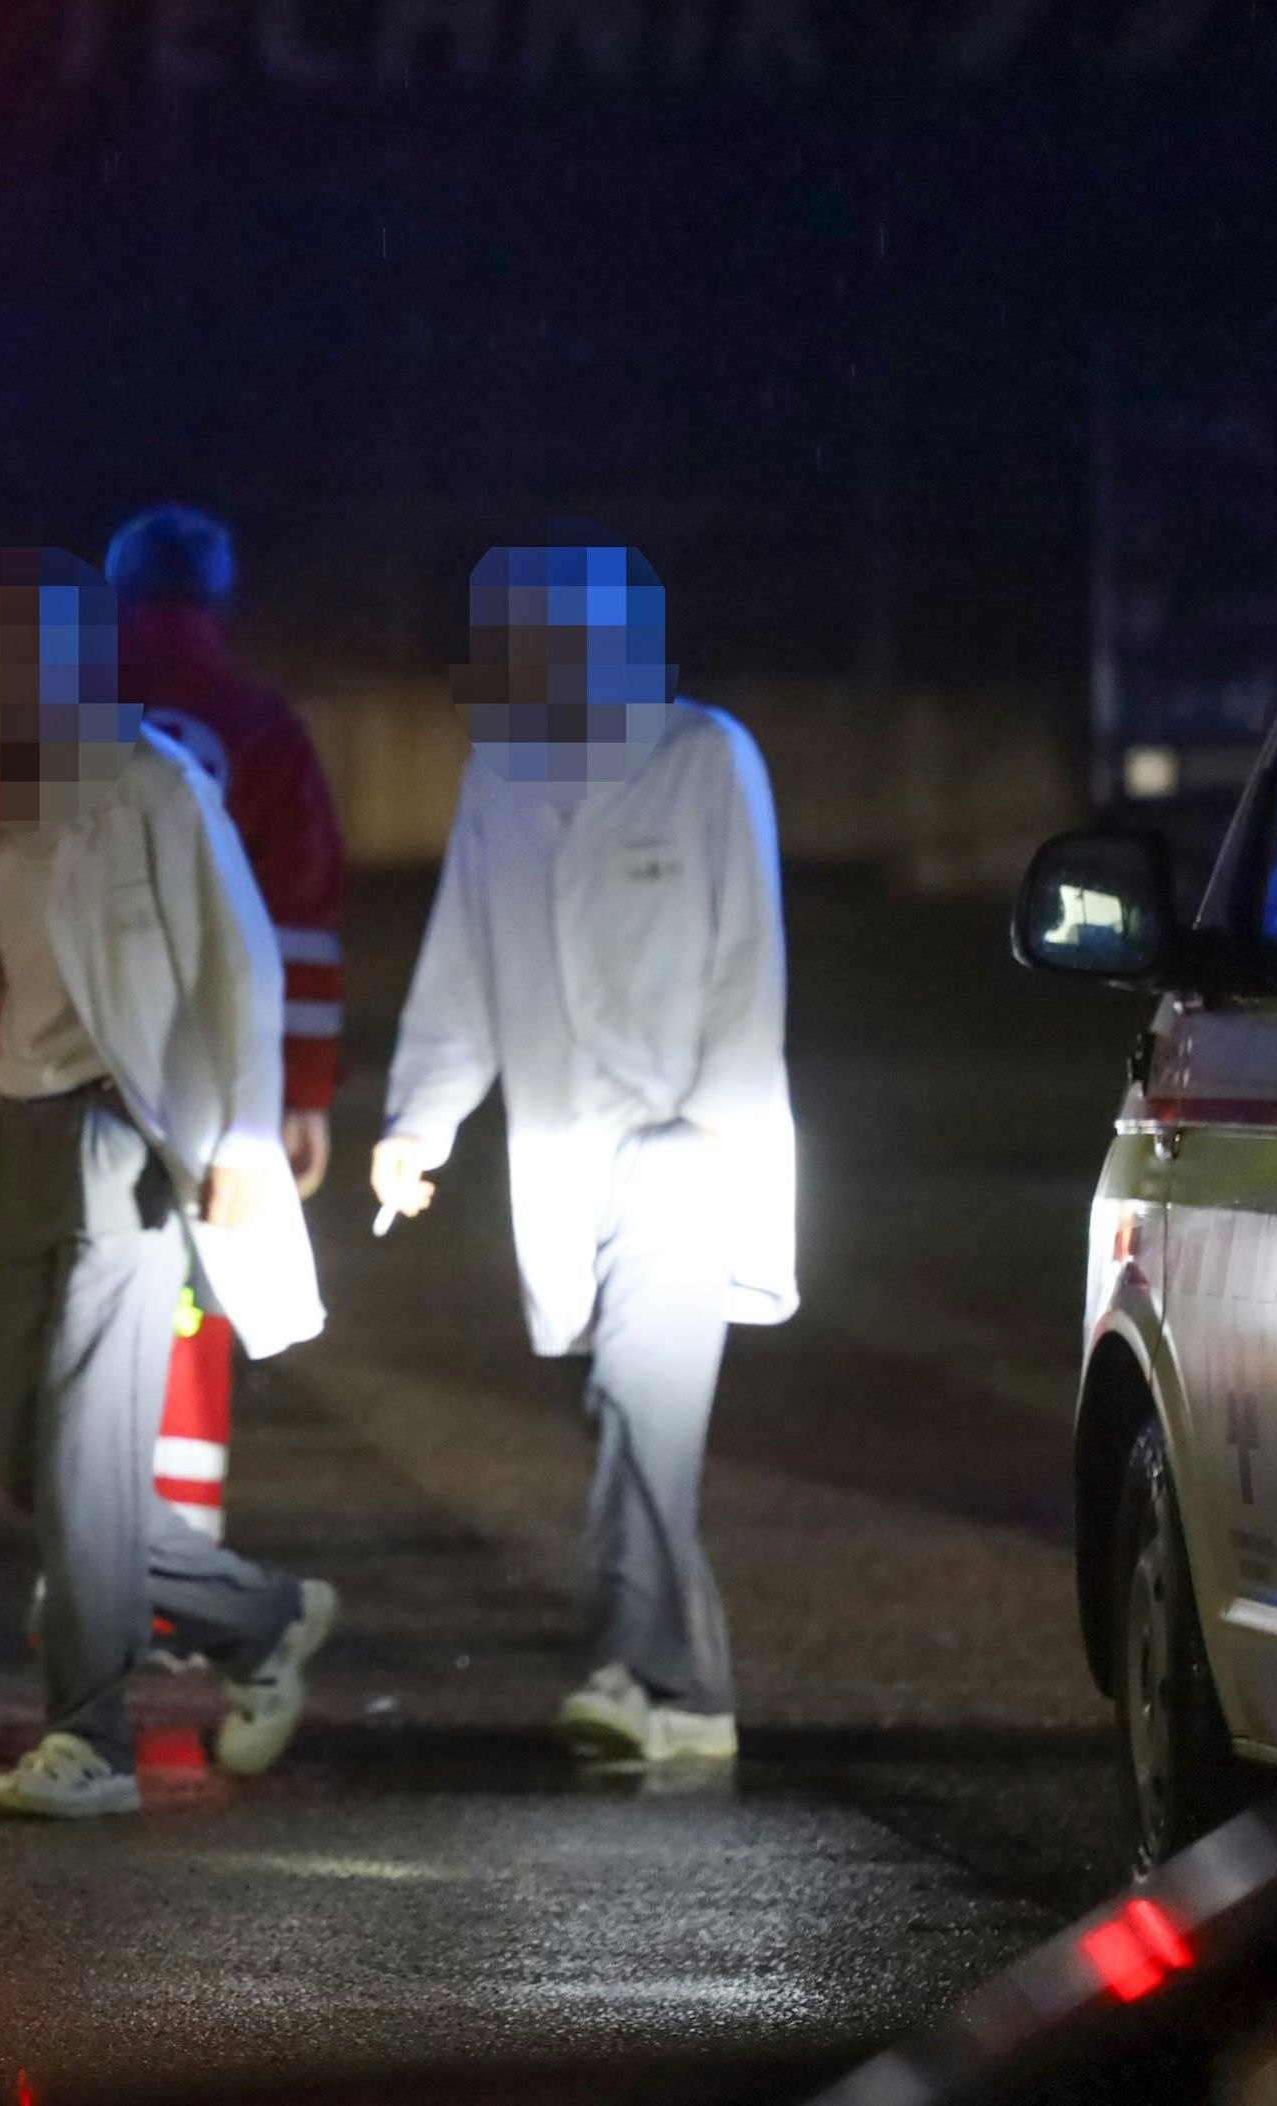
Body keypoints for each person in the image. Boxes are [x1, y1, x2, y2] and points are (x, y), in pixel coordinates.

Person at [0, 547, 338, 1821]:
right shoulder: (0, 800)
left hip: (131, 1139)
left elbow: (240, 962)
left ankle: (88, 1741)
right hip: (25, 1130)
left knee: (92, 1450)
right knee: (27, 1461)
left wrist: (244, 1148)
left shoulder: (155, 780)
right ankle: (262, 1616)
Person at [365, 524, 791, 1768]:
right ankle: (689, 1699)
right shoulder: (499, 776)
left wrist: (705, 1131)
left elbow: (745, 967)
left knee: (635, 1407)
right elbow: (461, 967)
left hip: (689, 1147)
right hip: (560, 1159)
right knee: (614, 1418)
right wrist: (417, 1122)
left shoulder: (706, 757)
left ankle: (644, 1670)